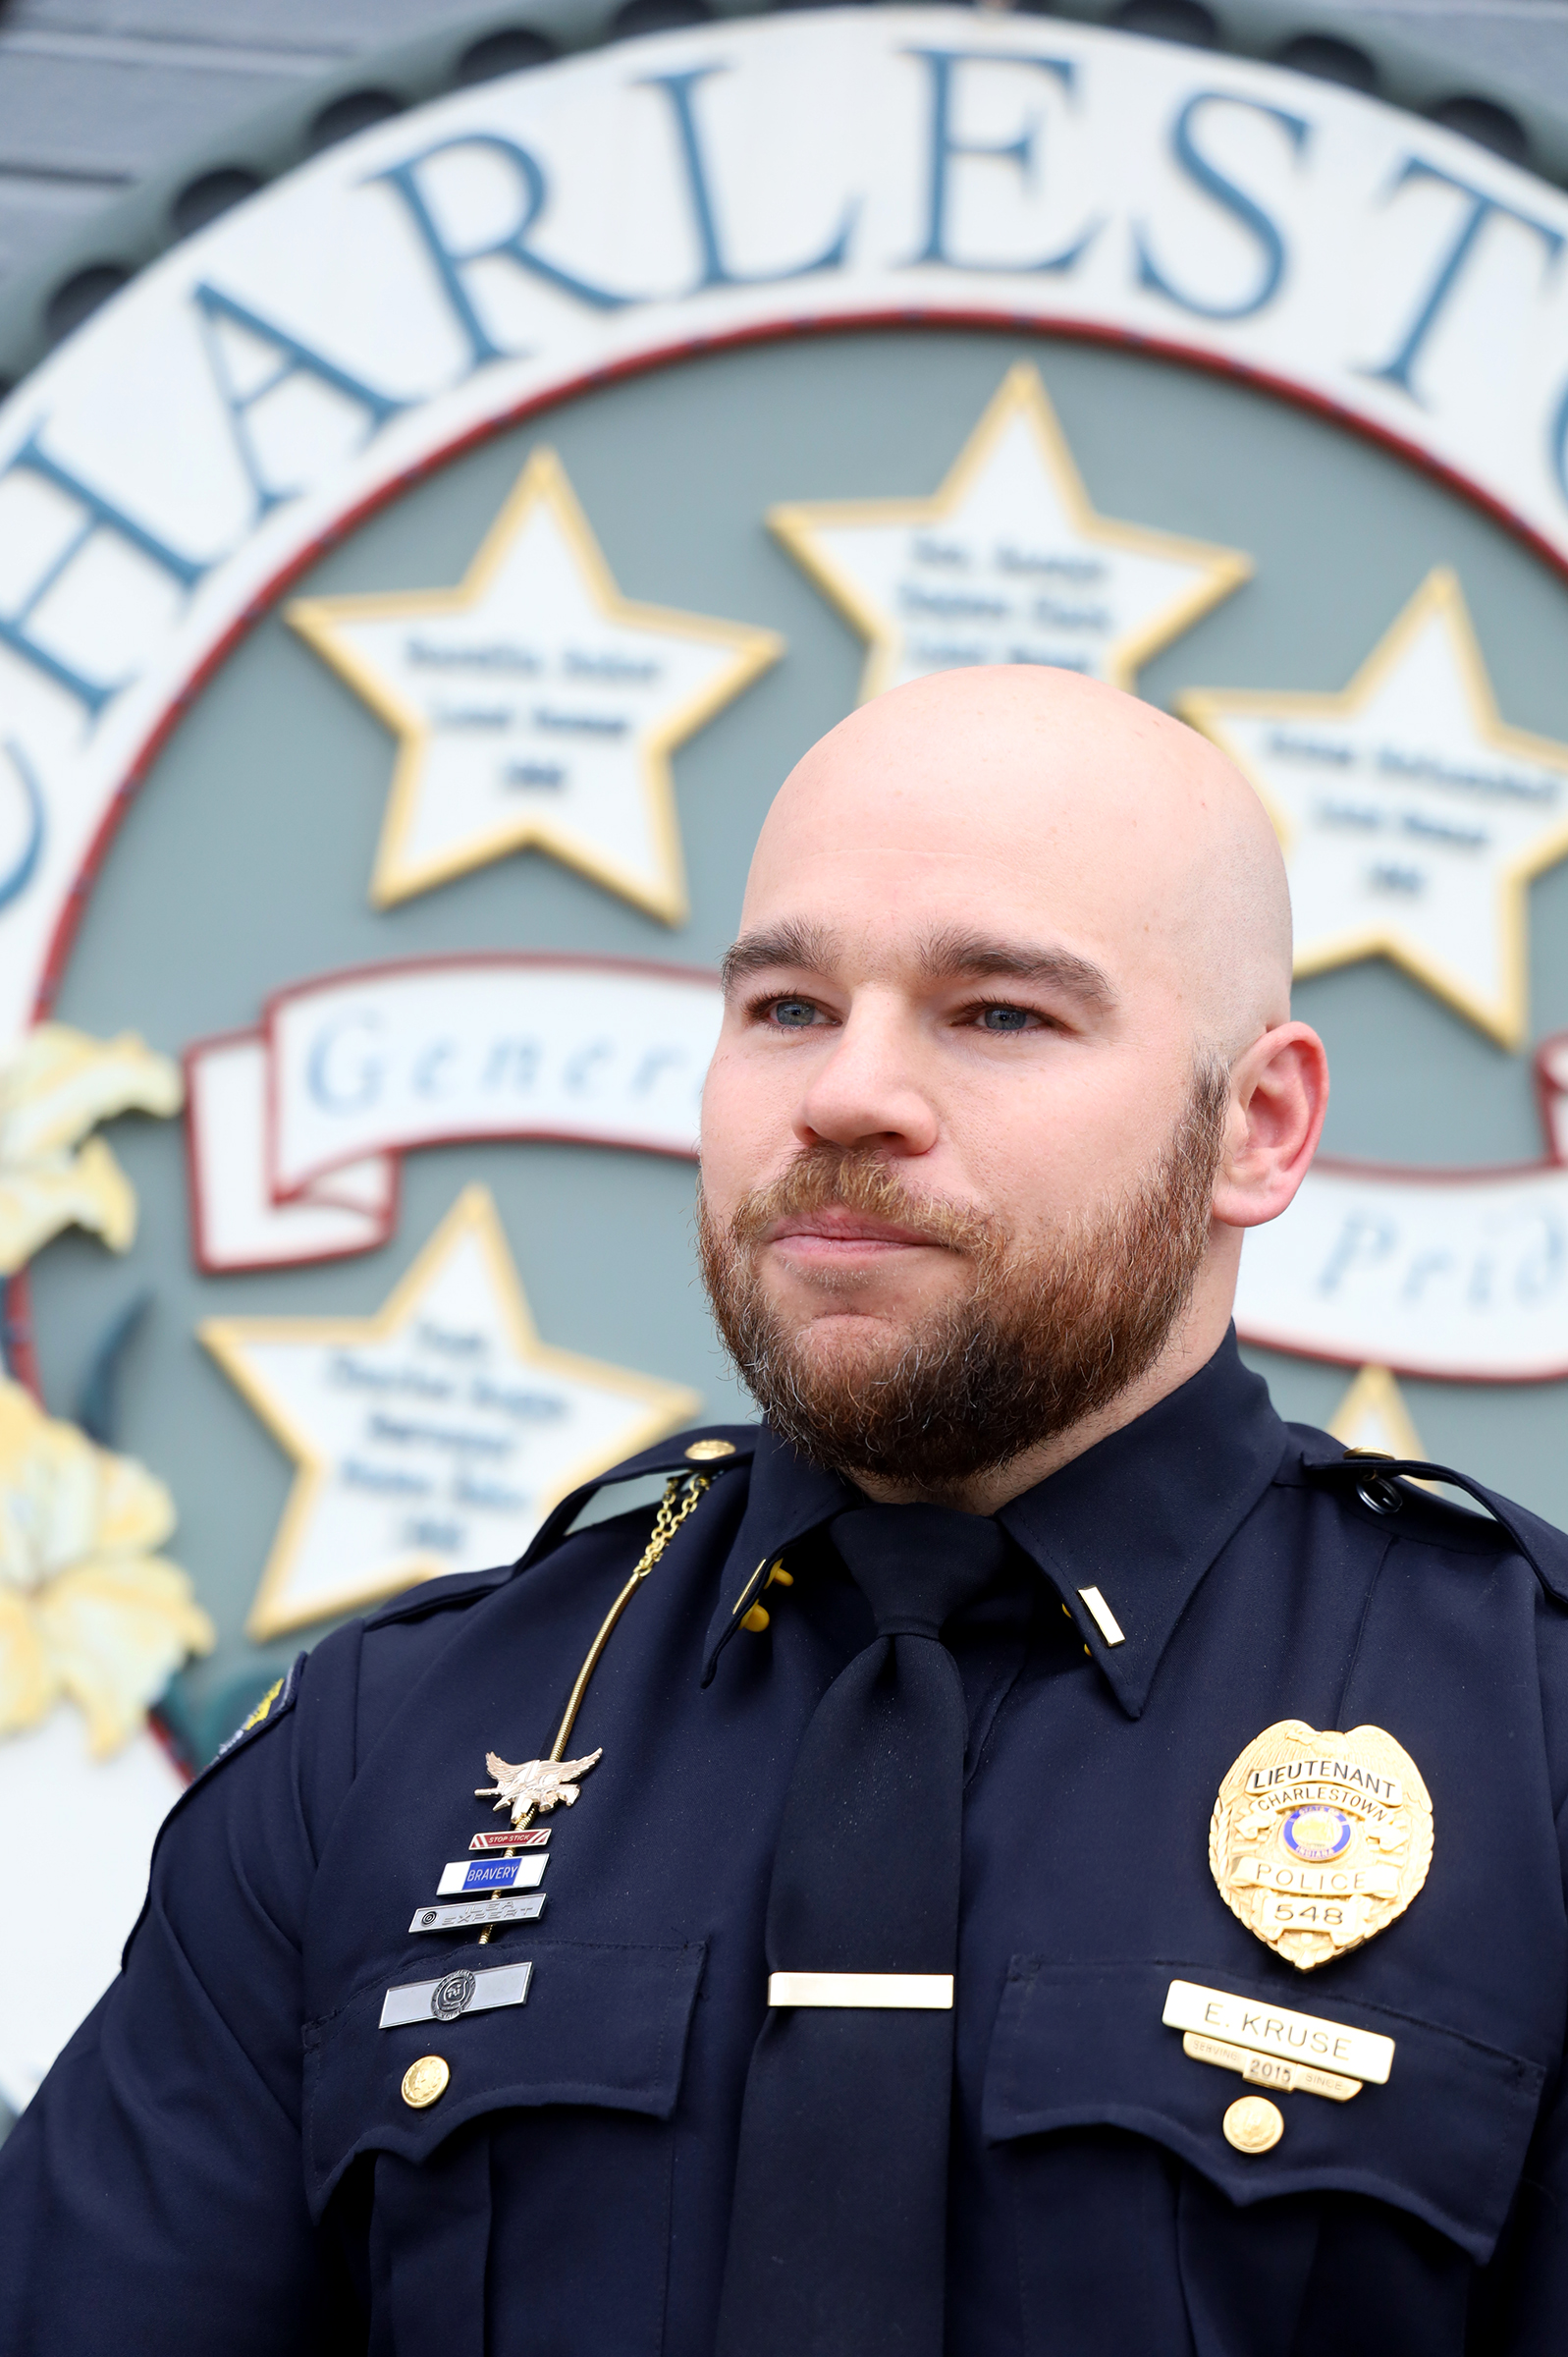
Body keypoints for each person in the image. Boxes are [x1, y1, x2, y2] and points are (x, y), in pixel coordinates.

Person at [2, 665, 1565, 2356]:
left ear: (1254, 1127)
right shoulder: (383, 1746)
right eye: (787, 1008)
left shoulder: (1531, 1745)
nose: (845, 1094)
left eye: (996, 1014)